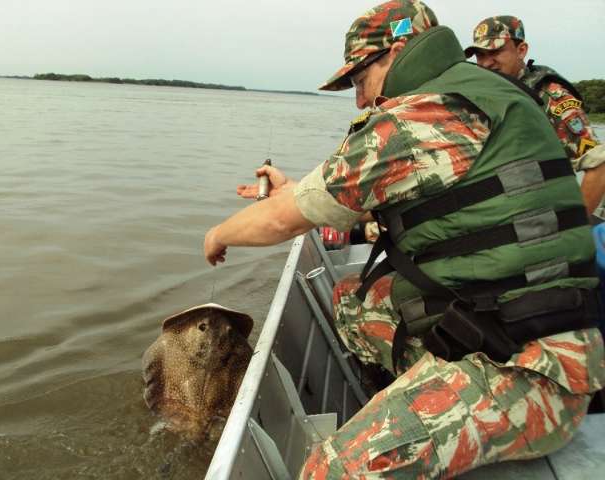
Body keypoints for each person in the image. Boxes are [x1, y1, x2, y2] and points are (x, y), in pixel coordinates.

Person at [204, 1, 604, 478]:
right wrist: (289, 193)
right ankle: (416, 400)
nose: (358, 100)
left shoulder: (425, 113)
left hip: (534, 373)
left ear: (396, 52)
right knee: (353, 304)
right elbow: (341, 197)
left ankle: (425, 418)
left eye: (359, 81)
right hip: (504, 321)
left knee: (330, 469)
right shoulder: (475, 93)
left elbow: (282, 223)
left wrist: (217, 233)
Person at [464, 15, 605, 214]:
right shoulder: (484, 98)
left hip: (544, 223)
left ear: (521, 50)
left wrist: (577, 226)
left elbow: (598, 167)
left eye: (495, 51)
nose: (486, 63)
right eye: (480, 55)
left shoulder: (550, 98)